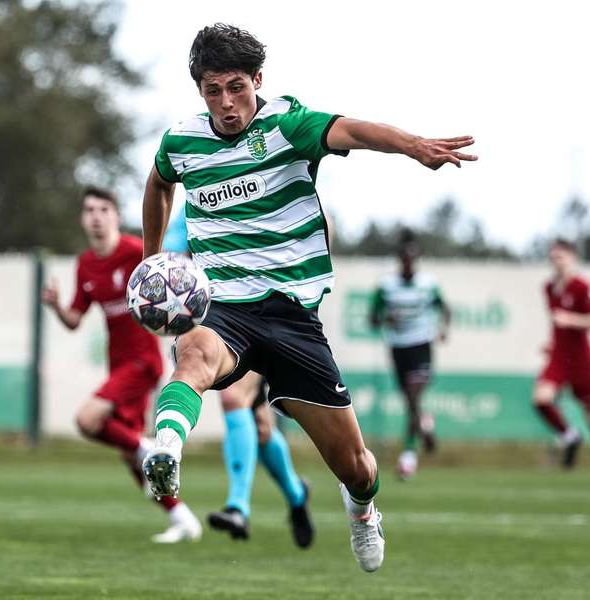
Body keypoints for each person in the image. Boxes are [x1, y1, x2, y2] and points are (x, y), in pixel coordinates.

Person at [140, 24, 477, 572]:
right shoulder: (182, 141)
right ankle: (167, 446)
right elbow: (159, 181)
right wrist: (153, 255)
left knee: (357, 466)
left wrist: (414, 147)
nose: (226, 103)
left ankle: (363, 509)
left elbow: (355, 130)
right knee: (193, 354)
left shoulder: (287, 125)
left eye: (236, 88)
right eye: (212, 91)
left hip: (293, 318)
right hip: (225, 305)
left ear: (258, 80)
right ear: (199, 92)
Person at [42, 187, 202, 543]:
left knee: (87, 420)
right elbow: (75, 319)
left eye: (103, 209)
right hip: (117, 365)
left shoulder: (135, 252)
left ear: (116, 215)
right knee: (129, 457)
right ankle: (183, 518)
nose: (96, 216)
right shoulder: (85, 263)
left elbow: (171, 279)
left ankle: (146, 447)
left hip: (142, 361)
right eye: (89, 210)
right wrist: (55, 306)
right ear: (83, 218)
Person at [163, 208, 315, 547]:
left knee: (235, 399)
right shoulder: (192, 206)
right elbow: (171, 258)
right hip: (219, 324)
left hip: (265, 316)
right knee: (261, 428)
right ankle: (296, 494)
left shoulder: (265, 188)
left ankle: (238, 508)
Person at [533, 238, 590, 488]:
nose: (556, 262)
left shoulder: (581, 286)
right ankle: (570, 436)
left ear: (572, 258)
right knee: (541, 399)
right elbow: (556, 324)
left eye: (560, 257)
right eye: (552, 257)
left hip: (581, 359)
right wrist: (551, 345)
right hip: (559, 356)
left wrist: (571, 320)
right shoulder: (548, 288)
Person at [369, 231, 450, 480]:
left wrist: (444, 328)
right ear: (399, 259)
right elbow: (372, 320)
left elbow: (444, 307)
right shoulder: (386, 287)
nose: (408, 262)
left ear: (418, 259)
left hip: (421, 344)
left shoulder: (428, 283)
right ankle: (423, 425)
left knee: (414, 394)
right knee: (410, 402)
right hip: (398, 348)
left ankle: (408, 457)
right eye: (405, 257)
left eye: (412, 258)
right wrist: (385, 319)